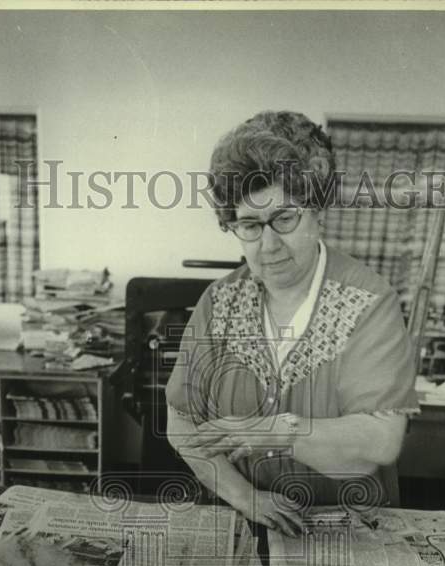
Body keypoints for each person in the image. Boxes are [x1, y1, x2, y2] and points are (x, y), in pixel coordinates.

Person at [166, 111, 419, 536]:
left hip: (345, 531)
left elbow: (381, 440)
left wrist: (274, 430)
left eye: (284, 219)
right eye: (250, 225)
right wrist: (245, 497)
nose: (268, 245)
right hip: (243, 523)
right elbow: (180, 419)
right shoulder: (219, 302)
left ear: (317, 211)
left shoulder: (369, 302)